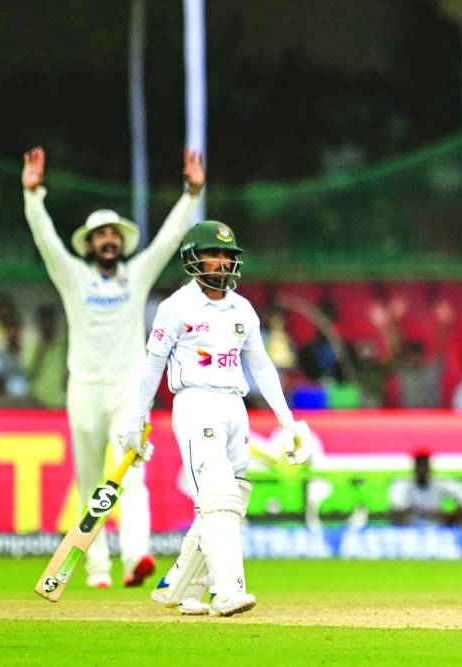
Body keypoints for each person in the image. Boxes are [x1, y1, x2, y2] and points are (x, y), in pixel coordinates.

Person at [21, 146, 206, 589]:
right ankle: (98, 568)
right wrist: (33, 196)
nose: (109, 241)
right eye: (101, 236)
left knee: (131, 474)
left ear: (121, 243)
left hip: (127, 387)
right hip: (83, 387)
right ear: (90, 245)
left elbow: (167, 239)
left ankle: (136, 556)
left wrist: (191, 193)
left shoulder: (136, 274)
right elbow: (46, 239)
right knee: (89, 482)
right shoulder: (72, 276)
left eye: (114, 236)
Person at [121, 220, 311, 617]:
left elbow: (260, 364)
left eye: (228, 256)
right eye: (213, 254)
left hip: (234, 406)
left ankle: (178, 586)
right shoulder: (176, 308)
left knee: (229, 500)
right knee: (219, 495)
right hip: (195, 403)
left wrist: (287, 420)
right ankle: (227, 591)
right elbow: (151, 366)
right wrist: (135, 421)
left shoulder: (242, 308)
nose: (222, 263)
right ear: (193, 259)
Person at [390, 452, 462, 527]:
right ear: (415, 468)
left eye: (425, 466)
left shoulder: (440, 483)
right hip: (411, 530)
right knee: (397, 516)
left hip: (439, 528)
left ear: (429, 468)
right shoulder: (404, 485)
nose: (422, 470)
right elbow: (398, 507)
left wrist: (457, 510)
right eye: (420, 467)